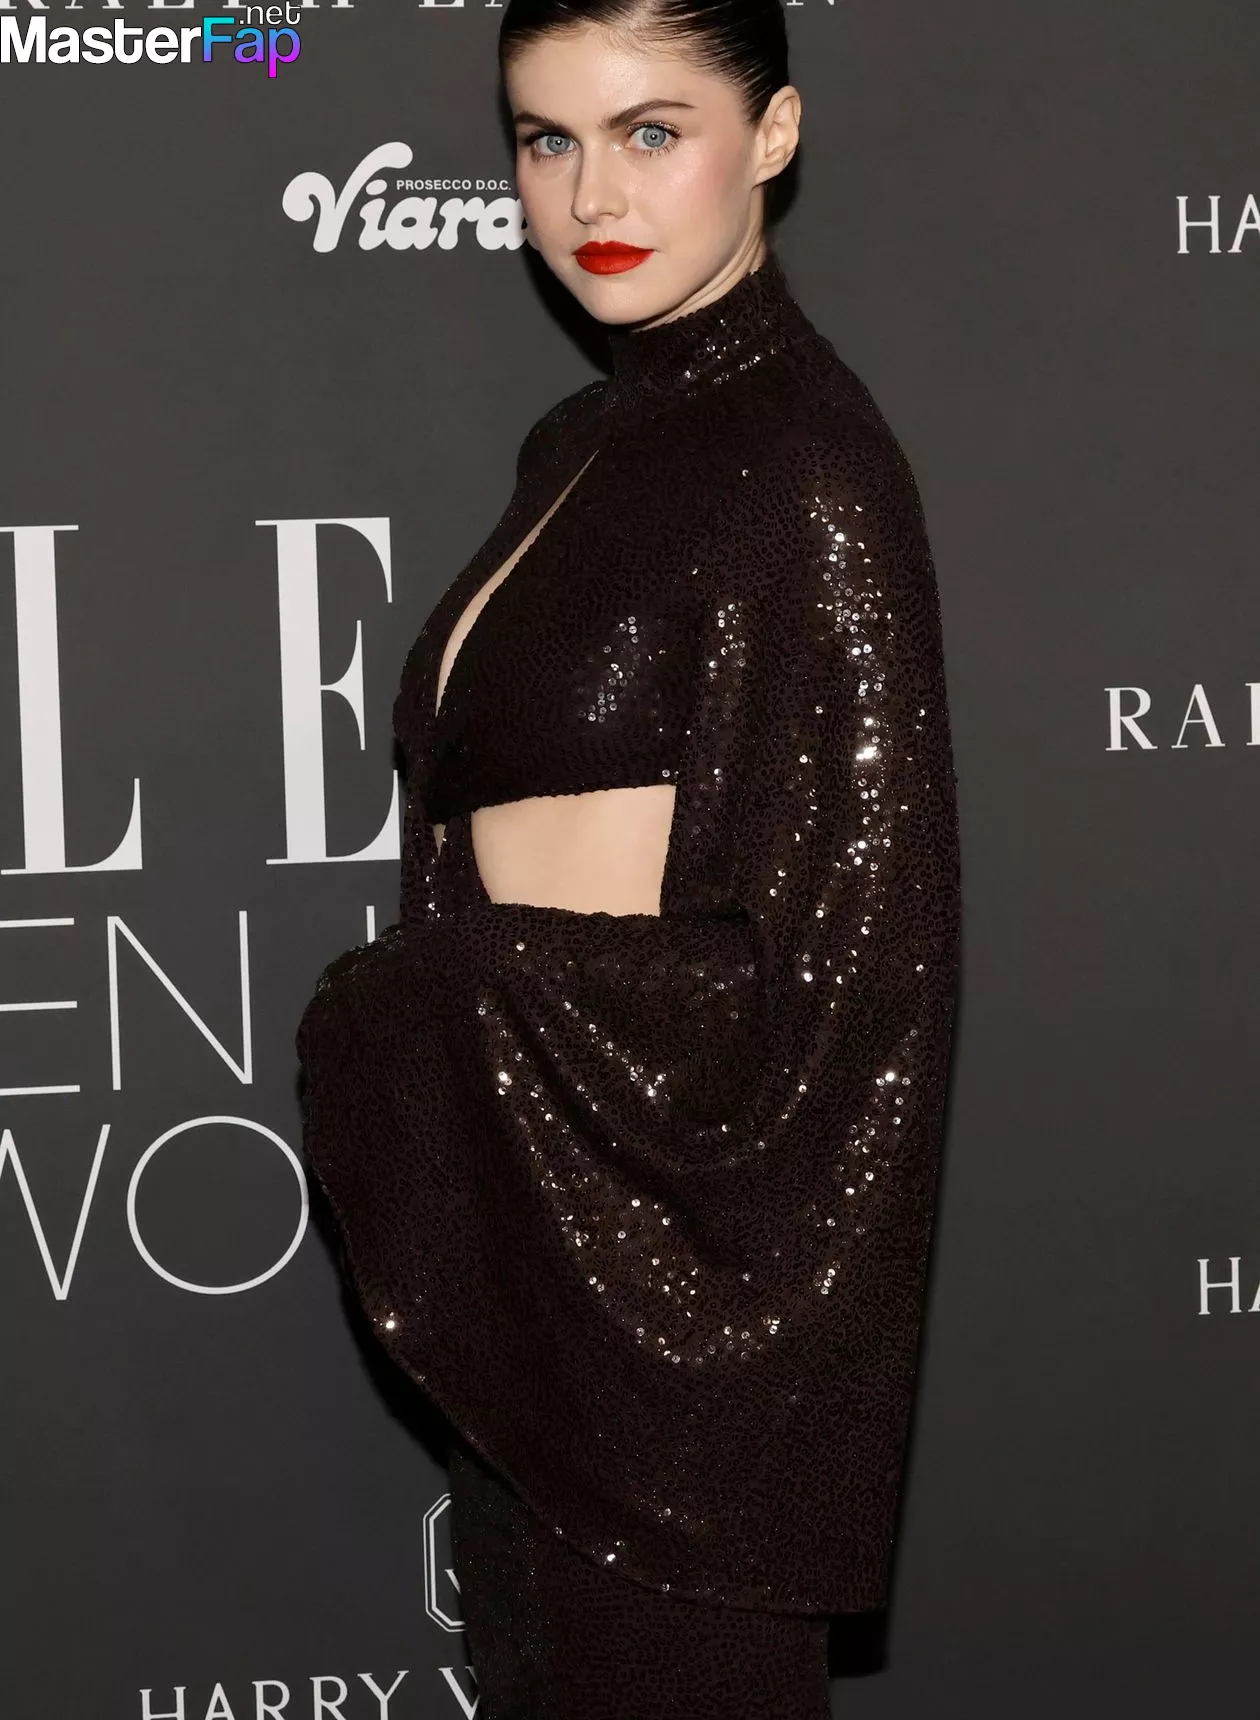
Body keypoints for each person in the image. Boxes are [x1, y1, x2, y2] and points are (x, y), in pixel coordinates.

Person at [296, 0, 962, 1710]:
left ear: (775, 136)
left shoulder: (807, 466)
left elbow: (847, 974)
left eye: (653, 131)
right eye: (548, 138)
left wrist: (447, 990)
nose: (591, 192)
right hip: (544, 1277)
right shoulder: (581, 443)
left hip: (680, 1339)